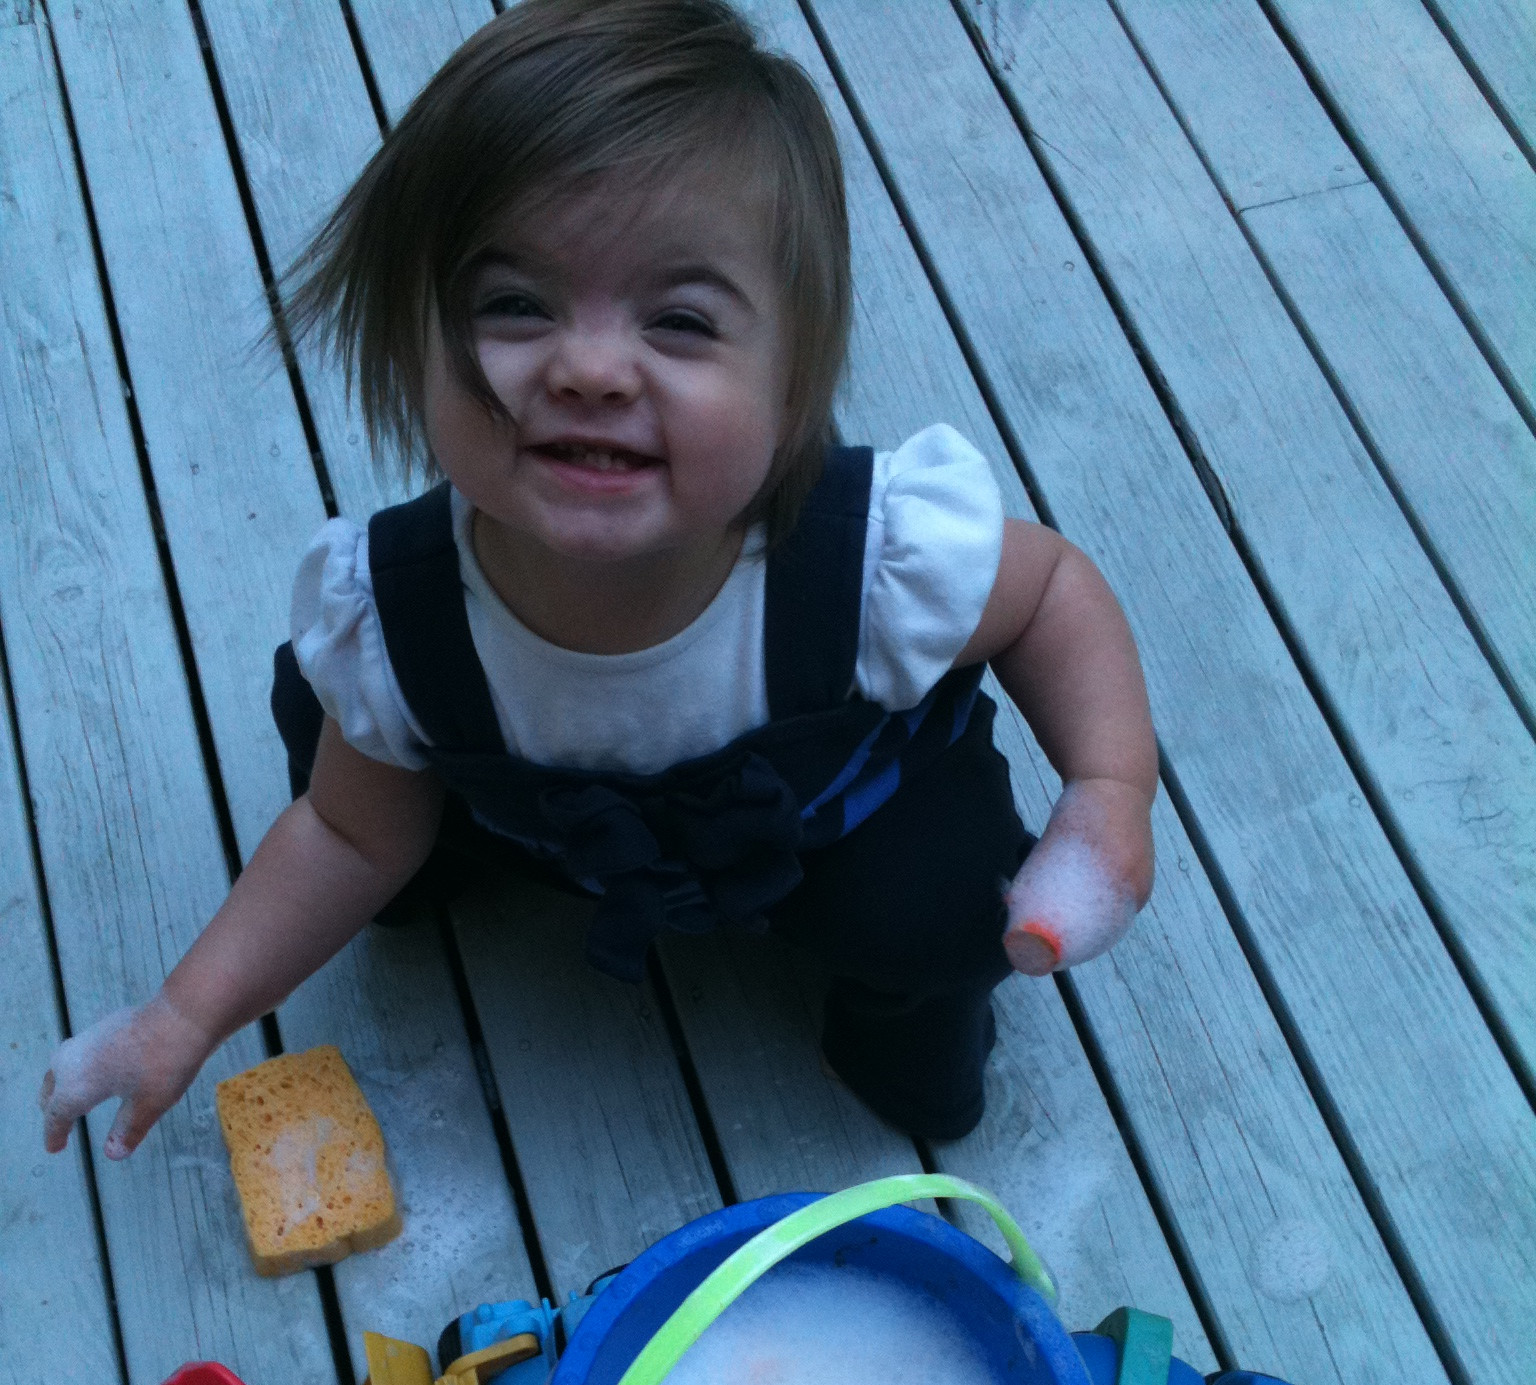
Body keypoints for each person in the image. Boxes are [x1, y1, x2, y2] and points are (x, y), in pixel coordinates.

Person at [40, 0, 1156, 1160]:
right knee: (327, 714)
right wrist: (183, 1013)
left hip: (820, 813)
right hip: (547, 816)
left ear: (792, 383)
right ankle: (439, 885)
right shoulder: (401, 621)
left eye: (678, 321)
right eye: (513, 305)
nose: (586, 367)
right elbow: (343, 834)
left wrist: (1109, 785)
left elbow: (1051, 592)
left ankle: (892, 1033)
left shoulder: (866, 559)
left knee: (943, 908)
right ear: (410, 349)